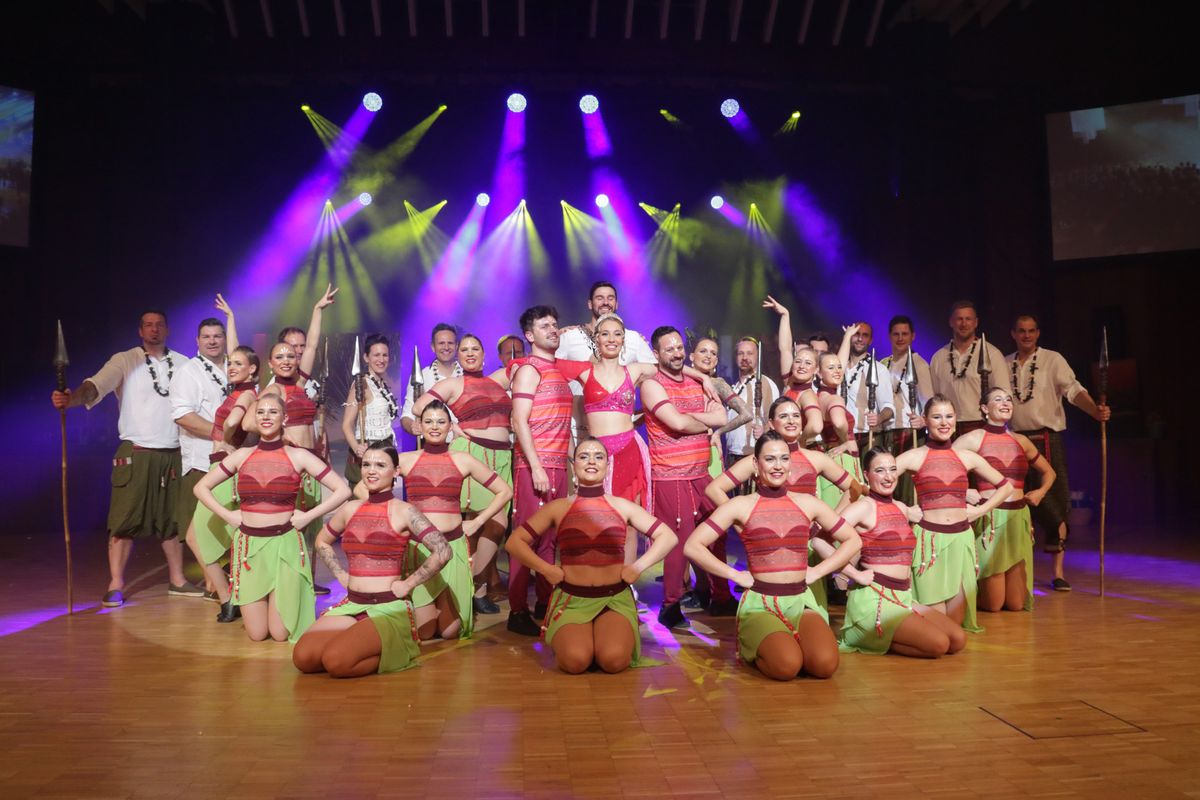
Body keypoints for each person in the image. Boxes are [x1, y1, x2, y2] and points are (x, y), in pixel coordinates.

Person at [51, 309, 200, 607]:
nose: (154, 329)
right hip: (136, 451)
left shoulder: (184, 364)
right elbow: (95, 386)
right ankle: (116, 583)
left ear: (167, 330)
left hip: (173, 453)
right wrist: (72, 398)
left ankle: (177, 579)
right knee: (123, 520)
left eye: (159, 325)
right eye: (148, 325)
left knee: (171, 520)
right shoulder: (125, 360)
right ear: (140, 331)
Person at [685, 432, 862, 680]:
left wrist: (818, 572)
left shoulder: (808, 503)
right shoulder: (740, 505)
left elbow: (853, 540)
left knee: (825, 665)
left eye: (784, 459)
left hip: (801, 601)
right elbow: (693, 546)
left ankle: (787, 644)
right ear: (756, 464)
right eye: (770, 459)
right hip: (762, 604)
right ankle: (759, 646)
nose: (778, 466)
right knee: (787, 666)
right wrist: (735, 575)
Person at [505, 438, 678, 673]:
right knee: (574, 662)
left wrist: (637, 567)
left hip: (614, 599)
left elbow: (668, 537)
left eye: (599, 457)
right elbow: (515, 542)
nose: (591, 461)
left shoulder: (623, 506)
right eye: (584, 456)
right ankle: (584, 641)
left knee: (614, 661)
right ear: (573, 465)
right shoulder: (558, 507)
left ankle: (601, 641)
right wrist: (545, 569)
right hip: (572, 599)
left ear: (607, 465)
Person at [194, 393, 351, 642]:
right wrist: (227, 515)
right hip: (250, 548)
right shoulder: (242, 456)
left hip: (285, 546)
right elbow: (200, 487)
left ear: (284, 418)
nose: (266, 417)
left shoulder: (298, 456)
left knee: (279, 634)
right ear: (255, 419)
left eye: (273, 412)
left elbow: (343, 490)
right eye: (261, 412)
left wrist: (308, 516)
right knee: (257, 634)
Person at [293, 444, 451, 677]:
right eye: (366, 464)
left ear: (396, 471)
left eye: (380, 465)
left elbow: (443, 550)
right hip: (353, 604)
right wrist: (340, 575)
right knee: (303, 658)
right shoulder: (350, 509)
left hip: (387, 608)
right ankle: (361, 642)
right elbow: (322, 541)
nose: (371, 470)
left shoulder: (405, 511)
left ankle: (398, 648)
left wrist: (409, 584)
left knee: (336, 662)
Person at [890, 394, 1013, 633]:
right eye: (937, 417)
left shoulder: (967, 457)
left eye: (949, 416)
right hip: (930, 544)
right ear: (926, 420)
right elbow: (873, 486)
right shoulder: (914, 456)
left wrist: (980, 511)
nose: (944, 422)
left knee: (955, 627)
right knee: (938, 627)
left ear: (956, 419)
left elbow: (1006, 487)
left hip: (961, 541)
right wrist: (904, 510)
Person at [1007, 313, 1111, 591]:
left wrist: (1095, 412)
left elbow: (1073, 391)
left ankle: (1057, 573)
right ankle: (1019, 571)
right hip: (1015, 442)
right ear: (1013, 334)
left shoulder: (1053, 360)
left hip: (1047, 439)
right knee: (1018, 504)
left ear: (1038, 333)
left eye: (1031, 330)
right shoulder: (1004, 364)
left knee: (1055, 503)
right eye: (1021, 331)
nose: (1026, 335)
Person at [829, 448, 967, 657]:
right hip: (876, 599)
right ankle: (869, 635)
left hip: (902, 597)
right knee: (939, 645)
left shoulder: (902, 508)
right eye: (880, 471)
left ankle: (880, 637)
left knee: (957, 639)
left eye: (893, 469)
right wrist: (854, 574)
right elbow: (820, 540)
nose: (889, 477)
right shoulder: (863, 508)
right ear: (867, 475)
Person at [394, 398, 512, 639]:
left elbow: (505, 491)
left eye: (441, 422)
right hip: (420, 551)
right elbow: (363, 490)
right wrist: (398, 520)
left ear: (450, 427)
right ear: (420, 426)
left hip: (454, 548)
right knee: (425, 632)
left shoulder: (462, 459)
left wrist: (477, 522)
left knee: (451, 632)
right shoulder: (405, 460)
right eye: (428, 422)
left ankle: (447, 601)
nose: (434, 427)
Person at [413, 334, 514, 616]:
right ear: (458, 356)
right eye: (464, 350)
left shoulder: (497, 380)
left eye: (475, 349)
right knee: (488, 522)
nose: (470, 353)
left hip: (502, 456)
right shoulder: (453, 384)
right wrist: (453, 425)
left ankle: (474, 589)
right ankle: (473, 588)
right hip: (473, 454)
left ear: (484, 353)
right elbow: (419, 408)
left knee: (491, 527)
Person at [640, 326, 735, 627]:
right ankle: (670, 606)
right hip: (671, 476)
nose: (677, 353)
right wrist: (704, 421)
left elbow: (722, 417)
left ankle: (718, 596)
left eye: (679, 347)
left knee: (716, 532)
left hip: (701, 473)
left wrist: (695, 418)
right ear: (656, 353)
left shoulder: (697, 382)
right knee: (678, 543)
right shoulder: (652, 385)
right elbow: (677, 423)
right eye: (669, 349)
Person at [507, 305, 588, 635]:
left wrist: (571, 466)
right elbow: (518, 421)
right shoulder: (528, 369)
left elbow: (562, 425)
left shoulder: (557, 371)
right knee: (526, 538)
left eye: (555, 324)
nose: (553, 329)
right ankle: (516, 611)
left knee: (550, 540)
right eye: (545, 326)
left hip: (557, 466)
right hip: (534, 466)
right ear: (529, 335)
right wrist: (536, 467)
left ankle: (544, 602)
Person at [254, 285, 338, 594]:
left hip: (310, 461)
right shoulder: (272, 391)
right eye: (282, 356)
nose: (290, 359)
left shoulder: (301, 383)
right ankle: (283, 580)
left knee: (311, 522)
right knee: (289, 521)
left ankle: (307, 579)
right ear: (271, 363)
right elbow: (255, 421)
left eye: (292, 355)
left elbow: (312, 344)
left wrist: (317, 310)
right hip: (289, 462)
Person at [955, 387, 1056, 613]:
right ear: (984, 408)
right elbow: (943, 466)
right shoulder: (973, 439)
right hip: (991, 518)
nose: (1005, 403)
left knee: (1016, 604)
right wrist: (965, 491)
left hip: (1018, 517)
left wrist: (1040, 492)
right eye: (998, 399)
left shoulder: (1022, 441)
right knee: (993, 604)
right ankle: (962, 597)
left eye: (1008, 399)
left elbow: (1050, 472)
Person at [184, 344, 259, 623]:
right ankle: (231, 596)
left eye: (239, 364)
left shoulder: (247, 393)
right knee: (198, 537)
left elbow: (234, 421)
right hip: (220, 468)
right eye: (230, 363)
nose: (232, 368)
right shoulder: (239, 392)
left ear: (252, 369)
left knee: (199, 537)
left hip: (226, 470)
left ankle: (231, 598)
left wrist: (227, 438)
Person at [171, 300, 238, 602]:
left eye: (218, 336)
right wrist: (222, 434)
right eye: (207, 337)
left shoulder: (233, 368)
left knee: (227, 526)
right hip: (202, 461)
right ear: (197, 341)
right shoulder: (188, 372)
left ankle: (222, 585)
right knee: (198, 531)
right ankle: (218, 586)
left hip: (234, 460)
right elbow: (183, 415)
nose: (212, 341)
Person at [706, 397, 857, 510]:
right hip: (767, 536)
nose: (791, 421)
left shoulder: (816, 458)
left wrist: (830, 525)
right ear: (771, 424)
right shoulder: (757, 460)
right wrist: (743, 523)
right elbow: (714, 489)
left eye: (796, 416)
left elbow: (855, 488)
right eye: (784, 416)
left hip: (807, 539)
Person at [929, 301, 1013, 436]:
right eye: (959, 319)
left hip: (982, 425)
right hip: (949, 427)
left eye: (968, 319)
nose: (964, 324)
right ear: (951, 322)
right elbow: (935, 397)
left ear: (976, 322)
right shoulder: (939, 357)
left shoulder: (992, 354)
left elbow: (1004, 394)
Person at [341, 333, 399, 486]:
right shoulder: (361, 385)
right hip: (367, 449)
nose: (381, 359)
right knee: (363, 497)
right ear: (366, 357)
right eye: (376, 355)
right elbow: (346, 424)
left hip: (385, 449)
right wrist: (357, 448)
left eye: (385, 355)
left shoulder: (383, 383)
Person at [723, 336, 779, 465]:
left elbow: (776, 418)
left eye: (750, 353)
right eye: (740, 353)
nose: (744, 357)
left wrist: (764, 430)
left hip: (753, 453)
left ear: (757, 357)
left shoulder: (765, 383)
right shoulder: (734, 386)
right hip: (732, 454)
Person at [840, 322, 895, 454]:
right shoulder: (838, 366)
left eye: (865, 335)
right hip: (841, 437)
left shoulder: (878, 370)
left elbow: (888, 407)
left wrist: (879, 418)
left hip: (867, 436)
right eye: (856, 334)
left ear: (870, 340)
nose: (860, 339)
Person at [400, 323, 462, 436]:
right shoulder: (422, 376)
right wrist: (412, 427)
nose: (446, 347)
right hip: (432, 442)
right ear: (433, 347)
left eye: (450, 343)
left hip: (464, 442)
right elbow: (406, 416)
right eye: (441, 343)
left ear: (457, 346)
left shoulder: (466, 375)